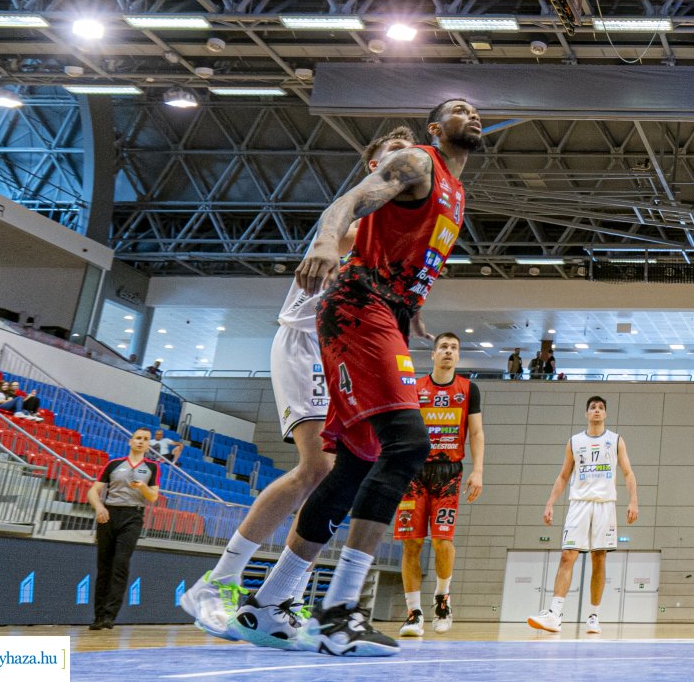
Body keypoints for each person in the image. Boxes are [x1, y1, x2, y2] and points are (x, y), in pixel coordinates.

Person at [232, 97, 479, 658]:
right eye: (460, 109)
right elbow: (349, 201)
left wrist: (411, 306)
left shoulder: (457, 192)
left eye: (476, 110)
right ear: (436, 128)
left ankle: (269, 601)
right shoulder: (418, 161)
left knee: (355, 466)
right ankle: (340, 612)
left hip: (383, 312)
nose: (474, 115)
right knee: (409, 445)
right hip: (356, 306)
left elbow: (408, 252)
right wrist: (326, 241)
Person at [179, 127, 416, 639]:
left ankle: (279, 598)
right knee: (318, 468)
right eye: (393, 153)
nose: (405, 160)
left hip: (346, 352)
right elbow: (343, 230)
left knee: (344, 472)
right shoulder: (358, 220)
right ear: (373, 167)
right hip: (307, 343)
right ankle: (217, 582)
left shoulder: (394, 233)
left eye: (409, 153)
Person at [394, 331, 486, 637]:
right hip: (413, 472)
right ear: (433, 354)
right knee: (412, 542)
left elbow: (476, 433)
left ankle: (442, 599)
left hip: (449, 474)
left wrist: (478, 470)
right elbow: (401, 428)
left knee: (442, 541)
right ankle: (413, 613)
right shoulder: (415, 387)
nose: (448, 351)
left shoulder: (469, 389)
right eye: (443, 347)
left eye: (454, 348)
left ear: (458, 356)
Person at [531, 395, 640, 635]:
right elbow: (563, 476)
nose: (597, 410)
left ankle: (593, 616)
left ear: (605, 413)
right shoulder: (574, 441)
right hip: (578, 504)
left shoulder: (616, 440)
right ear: (586, 413)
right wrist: (550, 502)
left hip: (604, 505)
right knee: (567, 556)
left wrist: (633, 500)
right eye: (593, 407)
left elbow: (628, 473)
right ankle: (555, 614)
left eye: (601, 407)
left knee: (598, 558)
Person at [88, 429, 163, 630]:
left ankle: (109, 615)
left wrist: (142, 487)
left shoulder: (152, 467)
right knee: (104, 566)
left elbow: (153, 496)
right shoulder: (114, 464)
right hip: (109, 514)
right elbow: (93, 491)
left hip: (133, 516)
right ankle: (98, 616)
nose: (141, 441)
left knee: (120, 563)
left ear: (148, 445)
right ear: (131, 441)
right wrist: (99, 507)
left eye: (145, 439)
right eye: (138, 438)